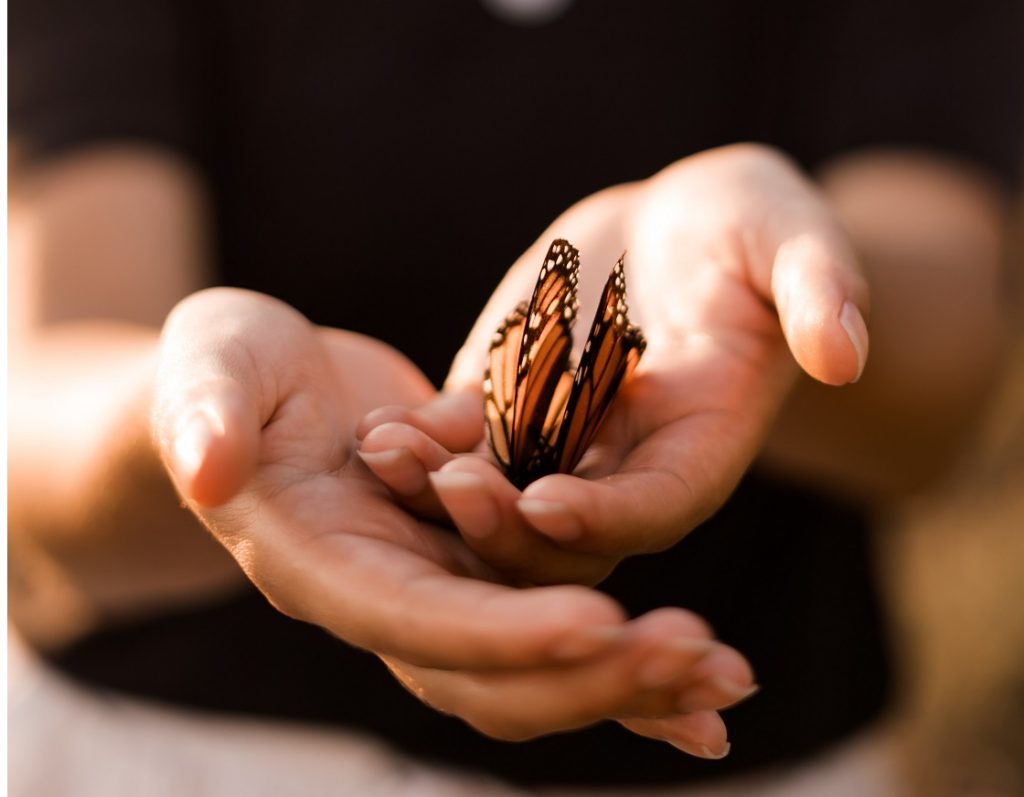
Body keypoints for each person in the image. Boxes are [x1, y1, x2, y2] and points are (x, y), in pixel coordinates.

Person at [9, 1, 1023, 794]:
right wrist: (188, 415)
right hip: (174, 760)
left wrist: (769, 288)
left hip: (735, 760)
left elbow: (935, 401)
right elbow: (41, 401)